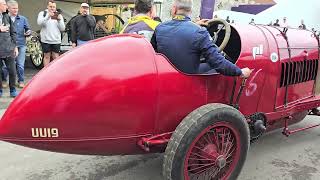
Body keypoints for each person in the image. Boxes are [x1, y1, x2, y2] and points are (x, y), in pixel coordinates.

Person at [152, 0, 252, 78]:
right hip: (188, 76)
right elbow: (218, 62)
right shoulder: (200, 32)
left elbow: (154, 52)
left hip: (165, 74)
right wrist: (240, 72)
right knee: (214, 64)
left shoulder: (160, 28)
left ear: (174, 9)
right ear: (190, 11)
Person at [2, 0, 31, 88]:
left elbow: (28, 29)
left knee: (20, 64)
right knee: (6, 66)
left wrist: (28, 33)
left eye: (17, 8)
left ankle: (21, 81)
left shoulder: (23, 19)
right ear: (8, 9)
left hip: (21, 44)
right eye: (14, 8)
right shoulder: (4, 18)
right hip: (8, 45)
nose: (16, 10)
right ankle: (4, 80)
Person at [37, 0, 65, 67]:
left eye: (53, 7)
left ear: (55, 7)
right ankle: (46, 72)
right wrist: (47, 16)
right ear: (47, 6)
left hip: (56, 40)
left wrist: (59, 20)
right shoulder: (42, 13)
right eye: (50, 6)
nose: (52, 8)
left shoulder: (58, 15)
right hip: (46, 40)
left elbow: (62, 28)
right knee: (46, 56)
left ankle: (56, 72)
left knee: (56, 57)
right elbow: (39, 23)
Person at [0, 0, 18, 97]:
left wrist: (15, 46)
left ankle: (13, 89)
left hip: (9, 48)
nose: (6, 7)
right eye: (4, 5)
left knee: (12, 71)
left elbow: (13, 32)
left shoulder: (6, 16)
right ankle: (0, 90)